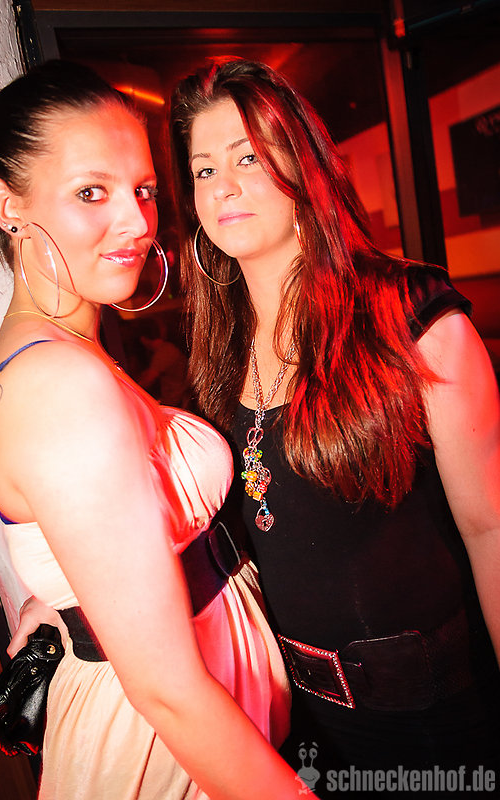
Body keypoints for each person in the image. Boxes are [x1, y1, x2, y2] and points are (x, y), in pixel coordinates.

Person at [0, 60, 305, 800]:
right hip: (169, 751)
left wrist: (65, 599)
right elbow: (167, 692)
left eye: (144, 190)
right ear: (5, 203)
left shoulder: (68, 353)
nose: (137, 223)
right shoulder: (60, 385)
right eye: (92, 192)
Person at [168, 58, 500, 790]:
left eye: (247, 157)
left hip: (432, 724)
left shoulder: (410, 318)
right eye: (202, 170)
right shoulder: (213, 356)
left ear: (304, 165)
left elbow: (491, 529)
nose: (222, 186)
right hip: (291, 721)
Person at [137, 317, 188, 407]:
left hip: (178, 400)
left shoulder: (165, 351)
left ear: (143, 339)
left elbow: (148, 380)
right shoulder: (164, 349)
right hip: (175, 399)